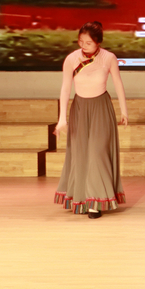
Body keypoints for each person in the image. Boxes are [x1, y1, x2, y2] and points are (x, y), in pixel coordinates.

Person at [53, 21, 128, 219]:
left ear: (98, 42)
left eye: (88, 43)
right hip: (79, 109)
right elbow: (65, 89)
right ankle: (81, 199)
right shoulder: (71, 59)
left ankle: (96, 201)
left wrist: (124, 110)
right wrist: (62, 119)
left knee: (98, 152)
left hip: (101, 108)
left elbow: (118, 83)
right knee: (80, 154)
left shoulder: (108, 58)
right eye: (81, 42)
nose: (83, 46)